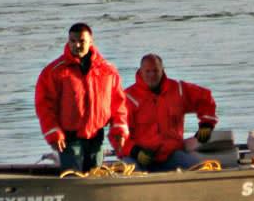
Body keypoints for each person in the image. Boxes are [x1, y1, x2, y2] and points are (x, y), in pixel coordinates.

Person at [35, 23, 129, 172]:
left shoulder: (107, 70)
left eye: (81, 41)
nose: (76, 45)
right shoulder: (54, 71)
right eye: (72, 41)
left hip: (96, 137)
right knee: (74, 177)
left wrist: (118, 130)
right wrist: (53, 133)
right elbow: (45, 106)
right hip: (69, 139)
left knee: (95, 176)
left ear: (91, 41)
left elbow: (118, 104)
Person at [118, 53, 218, 172]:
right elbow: (118, 135)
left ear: (162, 70)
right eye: (148, 71)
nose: (152, 75)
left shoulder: (178, 90)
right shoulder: (128, 98)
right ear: (140, 71)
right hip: (140, 158)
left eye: (156, 71)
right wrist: (134, 151)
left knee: (204, 170)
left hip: (172, 156)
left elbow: (205, 98)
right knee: (127, 171)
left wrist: (207, 124)